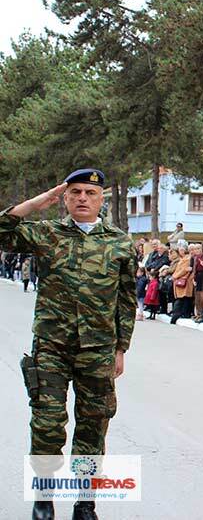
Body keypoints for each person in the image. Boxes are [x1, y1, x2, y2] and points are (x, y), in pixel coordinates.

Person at [0, 168, 136, 520]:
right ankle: (43, 498)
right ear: (64, 197)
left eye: (90, 193)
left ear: (101, 198)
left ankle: (85, 502)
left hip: (98, 350)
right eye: (74, 192)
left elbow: (126, 299)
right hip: (52, 347)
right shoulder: (48, 234)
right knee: (46, 424)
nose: (82, 198)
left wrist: (121, 348)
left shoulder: (120, 242)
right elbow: (2, 230)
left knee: (92, 426)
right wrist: (37, 203)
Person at [170, 245, 194, 324]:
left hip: (184, 281)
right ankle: (180, 313)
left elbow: (184, 270)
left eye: (180, 250)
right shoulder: (182, 259)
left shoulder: (187, 259)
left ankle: (181, 314)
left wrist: (175, 276)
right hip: (179, 280)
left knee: (183, 298)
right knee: (181, 298)